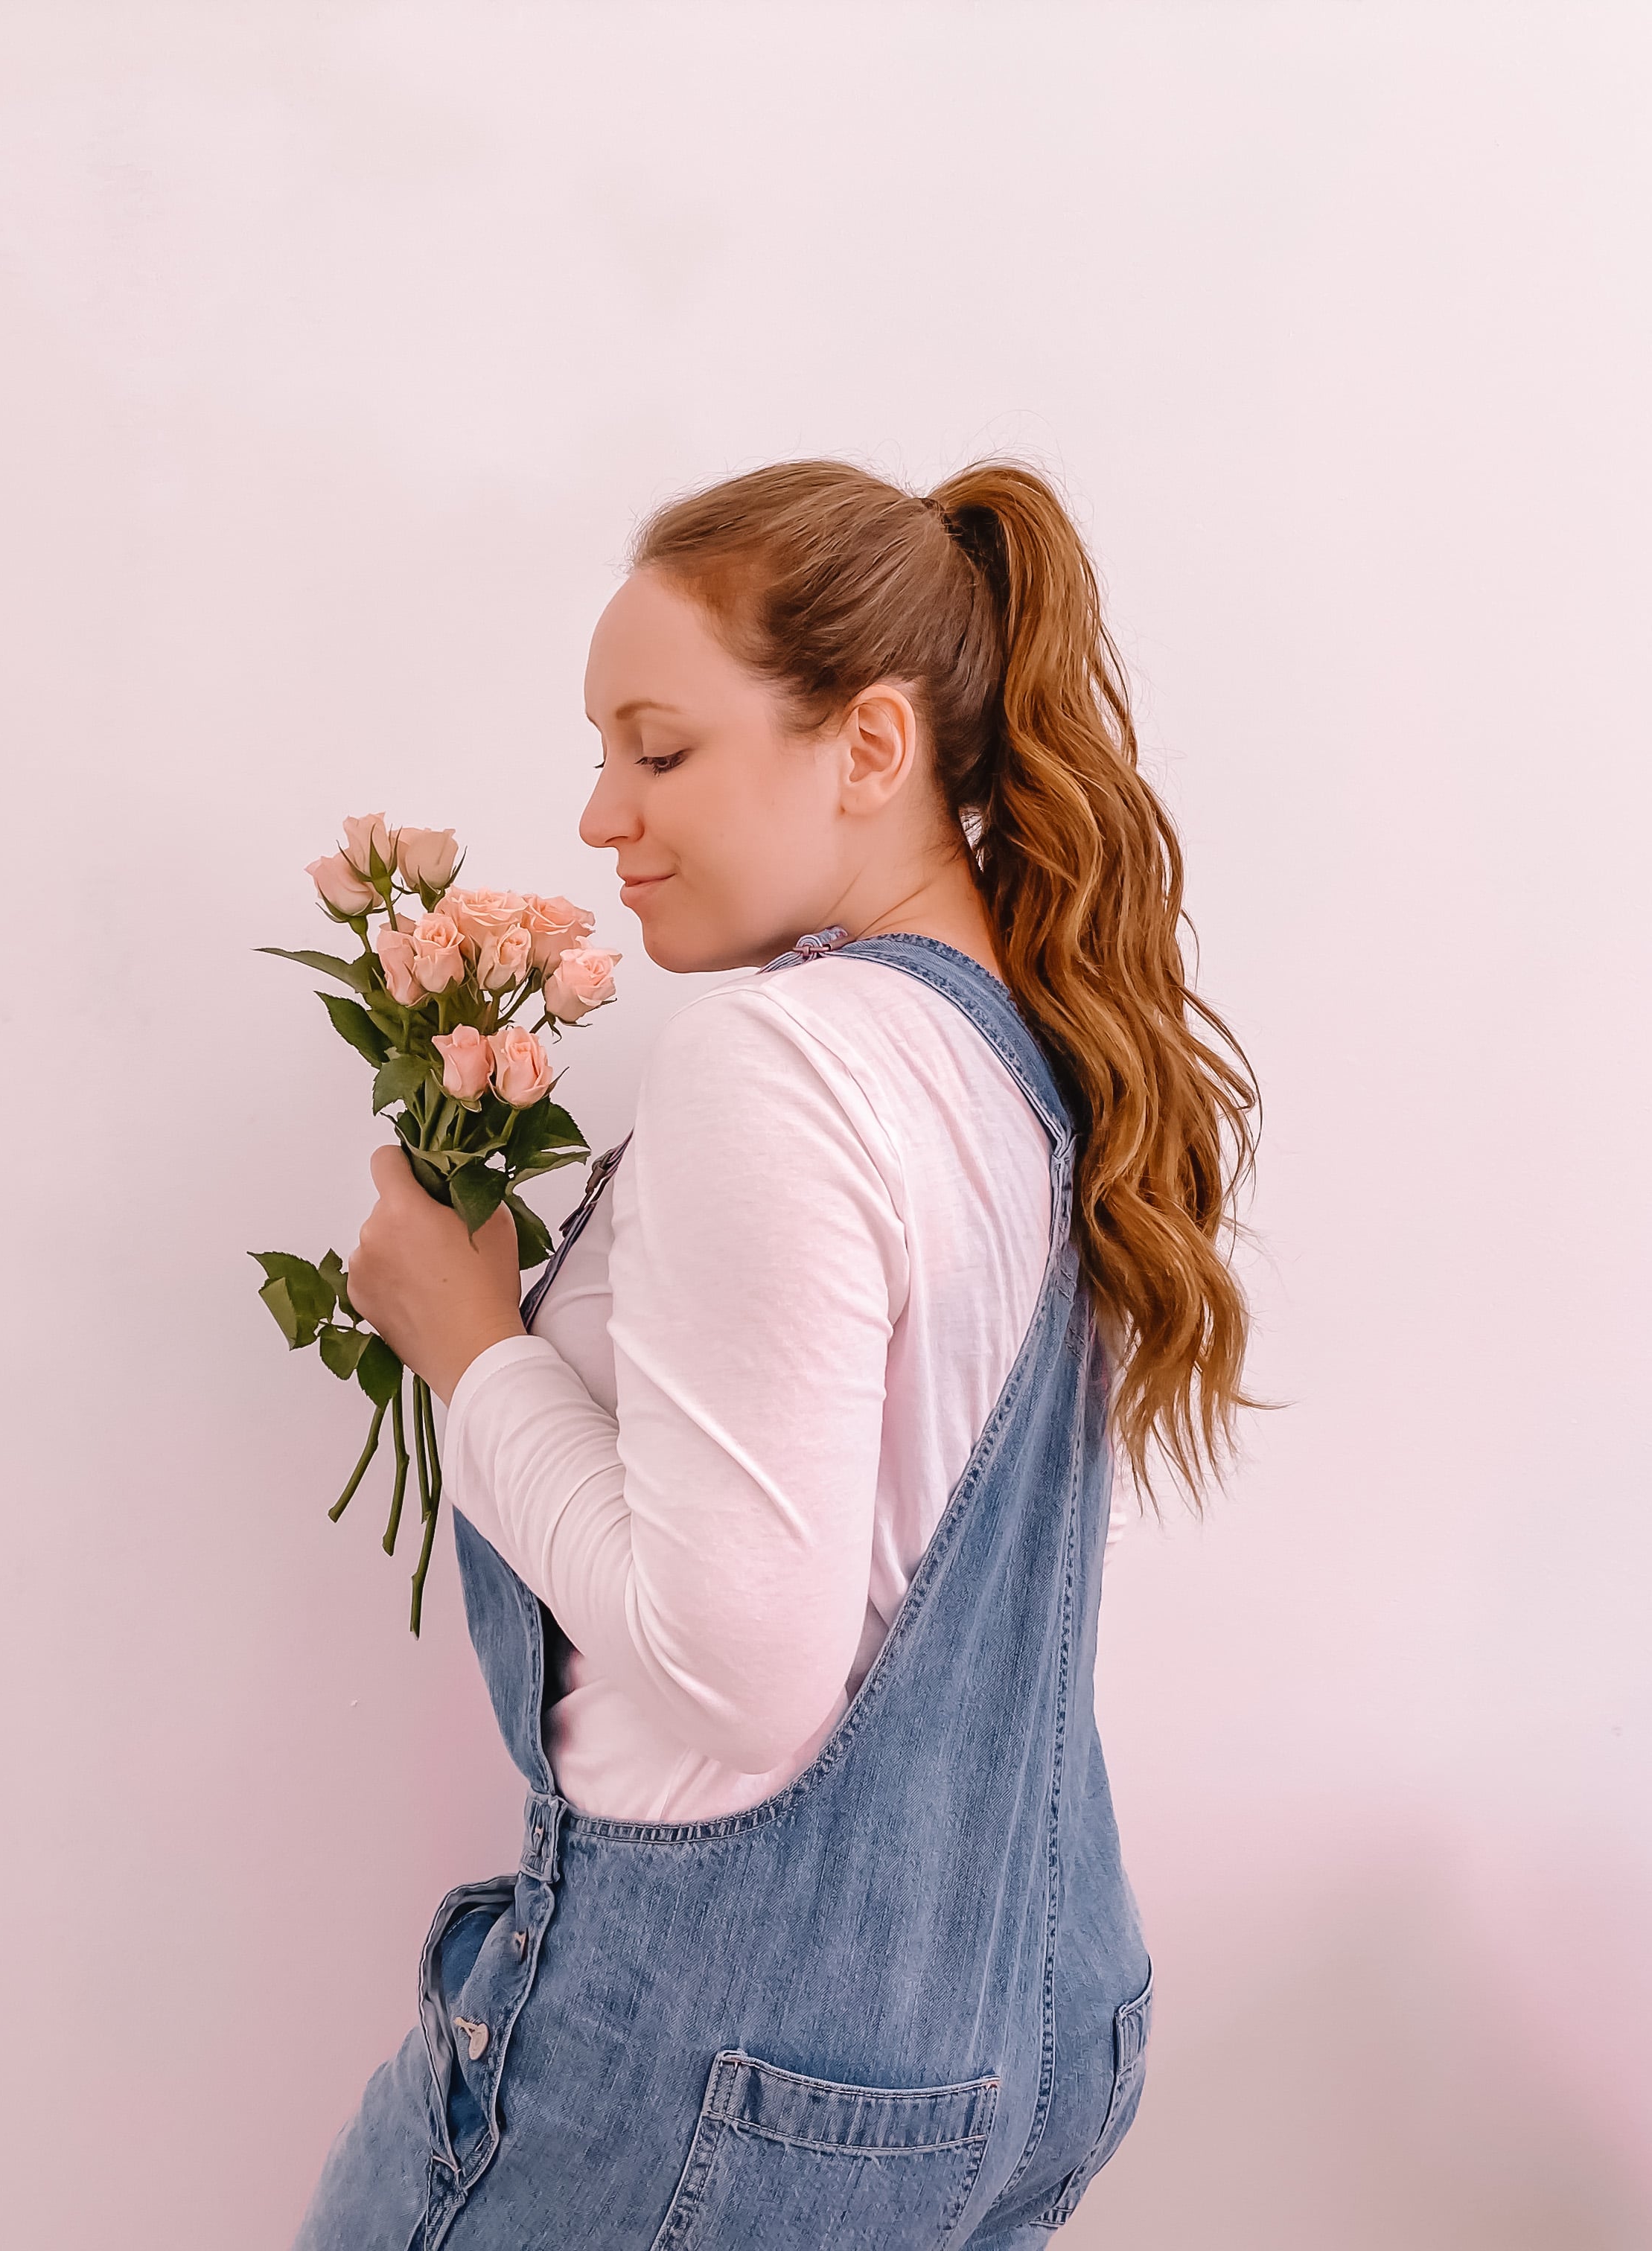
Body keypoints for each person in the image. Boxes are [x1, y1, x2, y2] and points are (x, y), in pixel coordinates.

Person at [293, 459, 1259, 2249]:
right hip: (1017, 2027)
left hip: (720, 2064)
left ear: (871, 747)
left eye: (659, 752)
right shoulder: (1037, 1064)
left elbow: (740, 1674)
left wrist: (469, 1345)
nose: (601, 815)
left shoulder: (788, 1066)